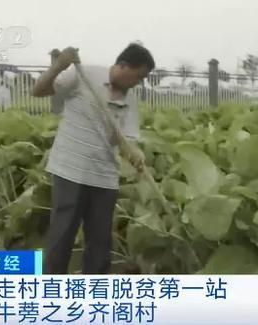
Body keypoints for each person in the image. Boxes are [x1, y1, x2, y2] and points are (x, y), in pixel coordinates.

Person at [31, 43, 154, 274]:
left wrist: (134, 153)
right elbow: (38, 90)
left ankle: (95, 296)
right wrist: (58, 66)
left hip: (104, 177)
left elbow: (126, 140)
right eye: (138, 76)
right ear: (123, 66)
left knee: (100, 243)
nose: (138, 82)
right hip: (70, 170)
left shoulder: (130, 101)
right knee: (62, 236)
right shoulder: (83, 74)